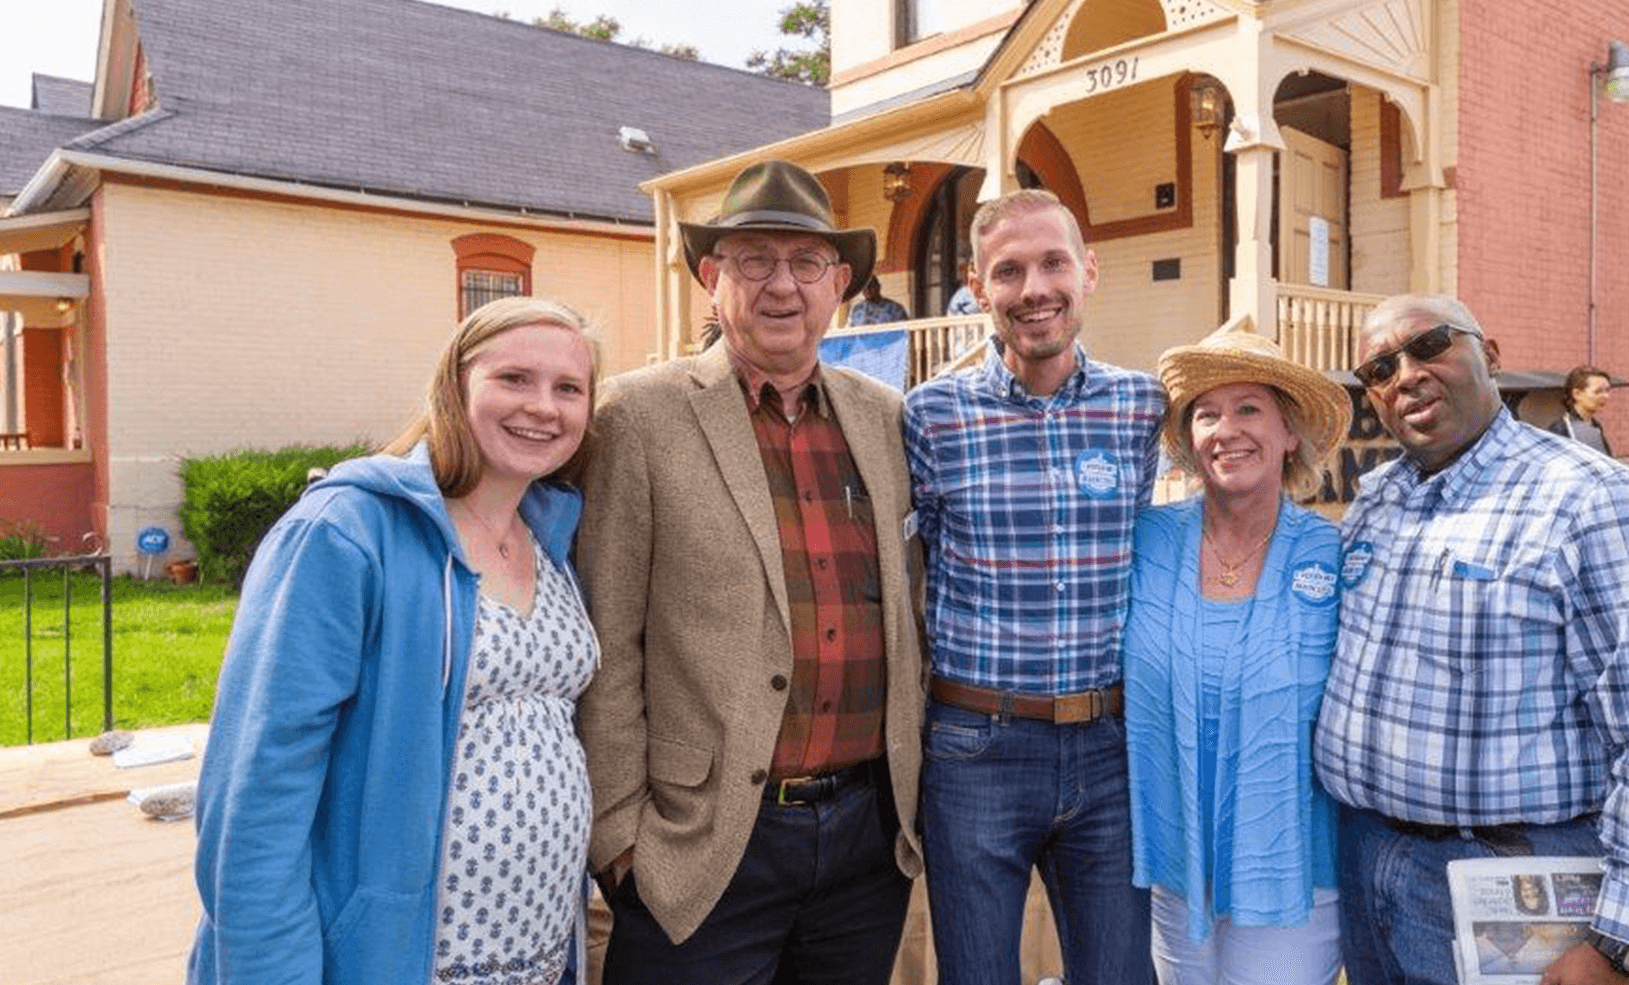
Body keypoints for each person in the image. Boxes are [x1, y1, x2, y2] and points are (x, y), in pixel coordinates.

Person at [1314, 294, 1629, 985]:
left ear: (1491, 356)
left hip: (1512, 876)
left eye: (1430, 346)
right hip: (1368, 863)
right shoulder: (1380, 497)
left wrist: (1619, 939)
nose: (1406, 375)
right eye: (1381, 367)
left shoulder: (1595, 500)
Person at [576, 160, 925, 983]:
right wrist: (621, 842)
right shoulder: (638, 416)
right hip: (701, 841)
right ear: (711, 276)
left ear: (838, 282)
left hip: (866, 843)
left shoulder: (882, 419)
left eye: (806, 263)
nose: (782, 286)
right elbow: (607, 638)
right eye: (754, 259)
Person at [189, 297, 603, 984]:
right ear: (454, 386)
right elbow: (255, 793)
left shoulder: (551, 539)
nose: (543, 406)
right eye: (514, 379)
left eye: (569, 388)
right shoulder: (343, 532)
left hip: (539, 959)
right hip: (389, 963)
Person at [906, 187, 1164, 985]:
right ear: (978, 289)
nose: (1034, 290)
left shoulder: (1142, 406)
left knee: (1120, 973)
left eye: (1053, 263)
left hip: (1111, 745)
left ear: (1089, 271)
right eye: (1008, 271)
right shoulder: (928, 416)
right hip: (975, 746)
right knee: (977, 973)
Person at [1125, 330, 1349, 985]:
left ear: (1289, 432)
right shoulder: (1147, 542)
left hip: (1296, 868)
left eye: (1249, 408)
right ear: (1189, 441)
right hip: (1176, 861)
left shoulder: (1334, 554)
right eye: (1206, 413)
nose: (1227, 429)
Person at [1547, 364, 1614, 455]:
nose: (1606, 396)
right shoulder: (1561, 429)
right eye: (1598, 391)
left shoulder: (1595, 426)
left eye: (1607, 390)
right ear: (1577, 394)